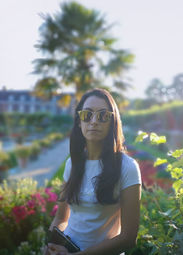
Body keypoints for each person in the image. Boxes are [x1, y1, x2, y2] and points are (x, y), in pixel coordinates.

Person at [44, 88, 142, 255]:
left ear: (112, 122)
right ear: (79, 121)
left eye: (103, 115)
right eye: (87, 115)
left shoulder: (128, 167)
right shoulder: (72, 164)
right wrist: (50, 246)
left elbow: (128, 238)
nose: (94, 121)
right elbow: (61, 218)